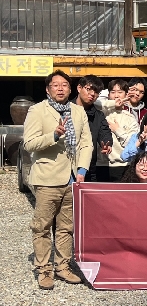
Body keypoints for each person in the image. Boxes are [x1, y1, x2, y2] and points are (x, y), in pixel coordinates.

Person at [23, 70, 93, 289]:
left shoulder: (78, 111)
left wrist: (82, 170)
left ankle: (63, 266)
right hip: (47, 178)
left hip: (73, 178)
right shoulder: (37, 110)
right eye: (55, 85)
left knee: (66, 227)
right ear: (48, 89)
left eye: (64, 85)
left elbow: (86, 143)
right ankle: (44, 269)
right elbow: (29, 143)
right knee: (42, 226)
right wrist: (53, 136)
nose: (60, 88)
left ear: (70, 89)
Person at [97, 79, 140, 182]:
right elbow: (95, 102)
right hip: (101, 164)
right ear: (108, 95)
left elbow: (133, 144)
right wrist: (113, 103)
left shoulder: (130, 118)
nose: (116, 96)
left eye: (120, 92)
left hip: (123, 165)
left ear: (126, 95)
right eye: (113, 92)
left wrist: (117, 130)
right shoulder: (100, 113)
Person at [73, 75, 111, 182]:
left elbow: (105, 132)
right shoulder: (66, 110)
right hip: (66, 167)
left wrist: (107, 144)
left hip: (89, 169)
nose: (92, 94)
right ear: (79, 88)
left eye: (96, 92)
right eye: (89, 89)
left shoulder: (98, 115)